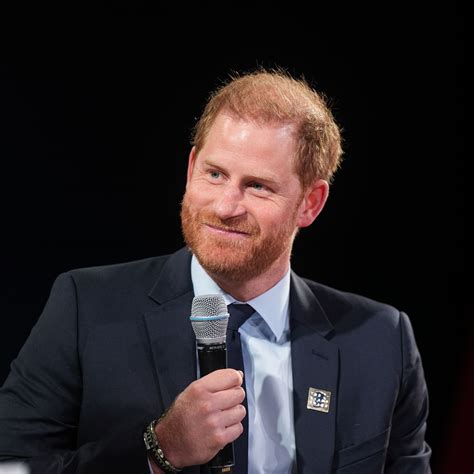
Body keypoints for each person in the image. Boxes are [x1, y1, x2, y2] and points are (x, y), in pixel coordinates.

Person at [0, 68, 431, 474]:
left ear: (310, 203)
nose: (226, 206)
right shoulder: (87, 307)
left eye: (257, 186)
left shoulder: (380, 340)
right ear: (191, 169)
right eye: (215, 174)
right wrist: (158, 451)